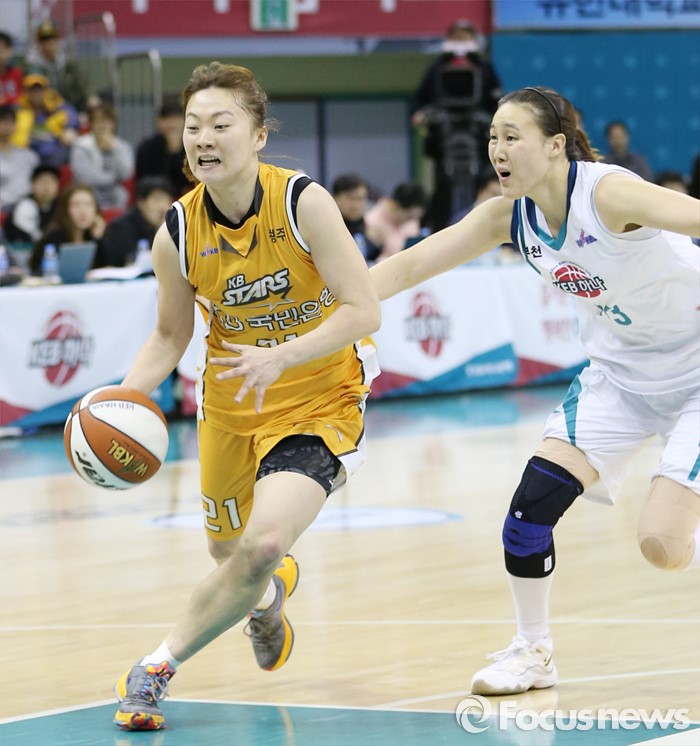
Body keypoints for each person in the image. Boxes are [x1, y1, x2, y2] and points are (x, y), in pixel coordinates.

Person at [370, 85, 700, 696]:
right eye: (492, 137)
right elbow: (410, 266)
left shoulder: (607, 193)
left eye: (511, 136)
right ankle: (533, 651)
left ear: (555, 146)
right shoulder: (508, 215)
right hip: (618, 378)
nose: (497, 149)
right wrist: (319, 310)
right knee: (527, 513)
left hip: (697, 371)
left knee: (662, 544)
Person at [111, 62, 380, 731]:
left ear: (258, 135)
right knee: (231, 556)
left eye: (220, 124)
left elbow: (363, 309)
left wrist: (283, 354)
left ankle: (154, 669)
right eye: (193, 127)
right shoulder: (176, 232)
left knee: (262, 545)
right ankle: (266, 601)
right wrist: (120, 401)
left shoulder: (303, 203)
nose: (204, 138)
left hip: (320, 399)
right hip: (231, 406)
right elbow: (170, 335)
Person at [412, 18, 502, 232]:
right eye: (457, 37)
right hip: (443, 139)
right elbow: (422, 98)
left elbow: (496, 99)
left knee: (481, 182)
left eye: (465, 37)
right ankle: (440, 229)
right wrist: (422, 114)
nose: (461, 41)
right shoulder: (437, 67)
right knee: (442, 187)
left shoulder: (483, 67)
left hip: (477, 136)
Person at [69, 101, 135, 209]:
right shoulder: (80, 145)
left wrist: (115, 150)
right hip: (88, 191)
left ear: (113, 124)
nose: (102, 125)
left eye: (106, 121)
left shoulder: (122, 146)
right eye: (98, 121)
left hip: (114, 193)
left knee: (122, 195)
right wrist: (114, 179)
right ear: (91, 124)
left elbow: (126, 173)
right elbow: (85, 178)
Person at [29, 183, 106, 274]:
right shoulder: (55, 236)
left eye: (88, 205)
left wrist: (99, 239)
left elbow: (106, 268)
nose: (83, 211)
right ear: (65, 210)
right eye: (76, 205)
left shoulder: (93, 236)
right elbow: (39, 271)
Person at [101, 176, 174, 267]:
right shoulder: (121, 228)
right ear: (141, 203)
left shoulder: (169, 226)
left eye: (167, 200)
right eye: (157, 199)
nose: (163, 207)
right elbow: (127, 263)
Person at [13, 73, 79, 167]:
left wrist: (70, 128)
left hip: (55, 153)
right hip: (29, 152)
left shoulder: (56, 108)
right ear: (26, 92)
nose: (36, 93)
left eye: (39, 90)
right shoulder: (19, 111)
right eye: (32, 90)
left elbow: (70, 113)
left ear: (46, 91)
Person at [24, 19, 88, 114]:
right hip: (42, 111)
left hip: (69, 108)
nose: (49, 44)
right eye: (44, 40)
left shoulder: (68, 63)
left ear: (58, 41)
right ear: (39, 43)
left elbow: (80, 89)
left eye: (52, 39)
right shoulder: (33, 66)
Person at [135, 95, 190, 197]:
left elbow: (188, 182)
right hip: (154, 197)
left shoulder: (191, 146)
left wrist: (176, 154)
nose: (172, 124)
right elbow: (143, 181)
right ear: (158, 122)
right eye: (167, 119)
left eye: (175, 119)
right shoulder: (146, 148)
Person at [364, 181, 427, 261]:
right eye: (409, 217)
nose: (412, 221)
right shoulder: (372, 221)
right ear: (396, 206)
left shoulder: (412, 223)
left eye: (415, 218)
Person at [4, 164, 59, 248]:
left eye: (51, 182)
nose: (47, 187)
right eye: (43, 182)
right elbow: (35, 238)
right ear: (33, 185)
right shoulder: (26, 206)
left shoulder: (61, 206)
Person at [331, 172, 381, 264]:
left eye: (360, 199)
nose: (356, 205)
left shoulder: (366, 228)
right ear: (335, 198)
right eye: (350, 198)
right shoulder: (329, 227)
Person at [0, 103, 40, 210]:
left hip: (27, 205)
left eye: (10, 123)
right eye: (2, 122)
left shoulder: (29, 156)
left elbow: (36, 182)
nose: (6, 127)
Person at [0, 31, 24, 107]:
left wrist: (5, 100)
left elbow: (22, 97)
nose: (1, 53)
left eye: (4, 48)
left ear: (10, 51)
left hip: (14, 111)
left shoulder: (17, 73)